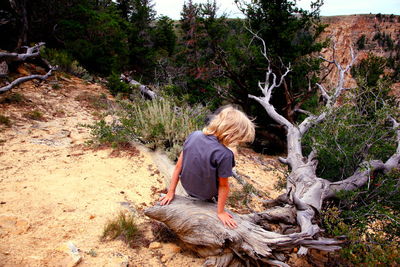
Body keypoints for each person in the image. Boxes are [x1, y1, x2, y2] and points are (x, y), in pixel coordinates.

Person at [160, 105, 255, 228]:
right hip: (205, 195)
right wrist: (220, 212)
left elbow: (178, 166)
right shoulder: (226, 154)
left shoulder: (194, 135)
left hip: (187, 186)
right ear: (232, 133)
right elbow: (223, 186)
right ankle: (214, 203)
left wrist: (170, 192)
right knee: (225, 176)